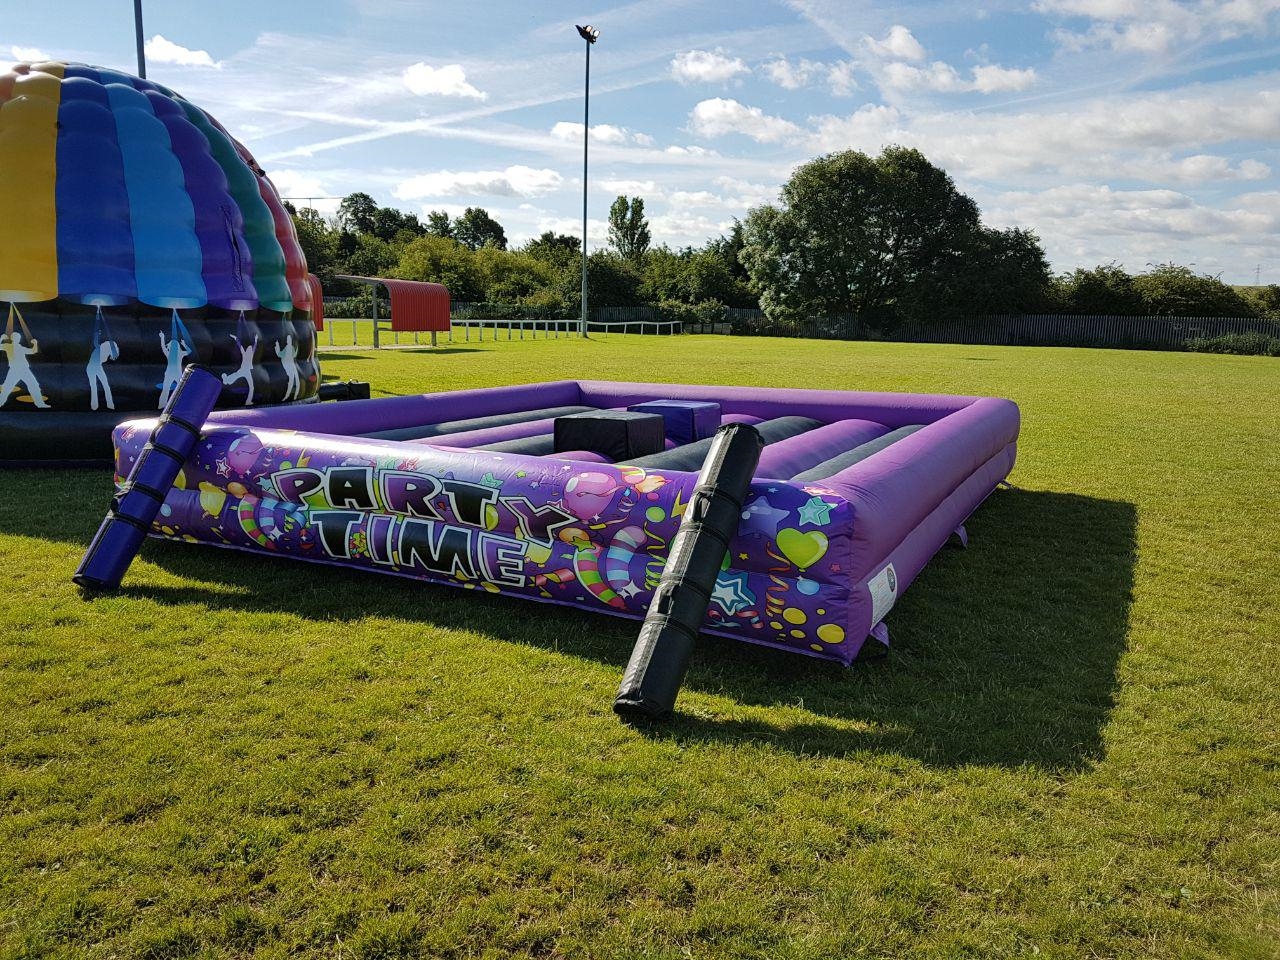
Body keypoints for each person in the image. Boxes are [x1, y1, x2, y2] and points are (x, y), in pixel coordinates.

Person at [0, 332, 50, 409]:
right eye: (15, 337)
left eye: (18, 338)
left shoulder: (21, 348)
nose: (17, 339)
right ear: (12, 339)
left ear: (19, 339)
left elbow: (33, 351)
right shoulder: (8, 346)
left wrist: (35, 344)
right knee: (7, 387)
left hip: (24, 370)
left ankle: (40, 404)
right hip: (14, 370)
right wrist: (1, 339)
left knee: (34, 385)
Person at [222, 333, 258, 406]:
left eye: (250, 349)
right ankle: (227, 379)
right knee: (237, 376)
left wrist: (256, 340)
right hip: (244, 370)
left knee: (251, 386)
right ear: (248, 350)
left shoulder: (249, 353)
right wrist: (235, 338)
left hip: (246, 371)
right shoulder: (245, 353)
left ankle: (248, 401)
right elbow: (240, 346)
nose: (250, 349)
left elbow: (253, 347)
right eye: (249, 349)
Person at [158, 331, 191, 409]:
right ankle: (162, 405)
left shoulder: (179, 354)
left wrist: (184, 344)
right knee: (167, 389)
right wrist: (162, 338)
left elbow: (189, 352)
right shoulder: (170, 354)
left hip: (176, 373)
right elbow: (163, 347)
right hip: (170, 373)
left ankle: (182, 405)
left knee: (180, 390)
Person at [87, 336, 119, 411]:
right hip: (92, 367)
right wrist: (97, 334)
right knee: (94, 387)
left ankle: (110, 405)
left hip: (97, 367)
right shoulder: (100, 348)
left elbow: (114, 356)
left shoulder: (106, 352)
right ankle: (94, 406)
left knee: (105, 386)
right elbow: (96, 343)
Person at [274, 334, 300, 400]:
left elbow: (293, 355)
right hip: (290, 366)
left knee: (296, 380)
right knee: (292, 380)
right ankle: (288, 395)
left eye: (290, 339)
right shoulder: (288, 348)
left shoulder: (291, 347)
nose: (289, 341)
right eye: (288, 340)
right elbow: (279, 354)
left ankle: (295, 394)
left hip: (292, 365)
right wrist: (277, 346)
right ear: (287, 341)